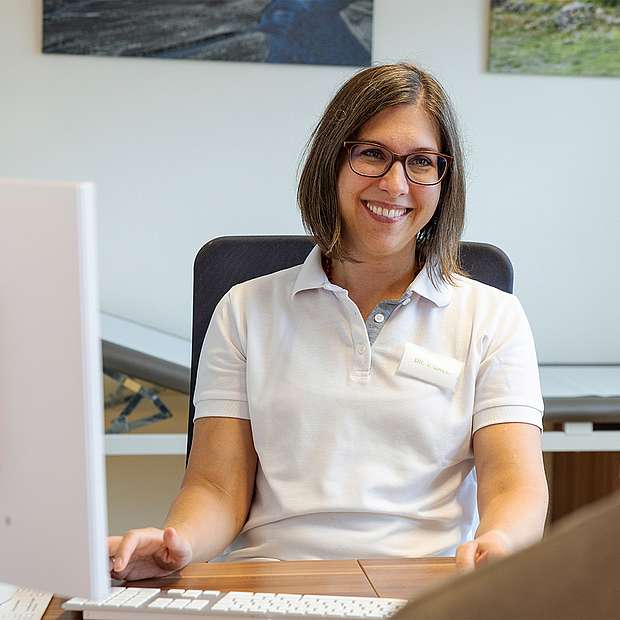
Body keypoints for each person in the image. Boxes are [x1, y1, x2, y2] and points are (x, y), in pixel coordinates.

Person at [108, 63, 548, 581]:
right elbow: (217, 488)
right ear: (331, 161)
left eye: (421, 162)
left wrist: (500, 541)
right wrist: (175, 544)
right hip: (271, 582)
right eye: (372, 154)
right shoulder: (245, 310)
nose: (395, 184)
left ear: (443, 178)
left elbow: (513, 486)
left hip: (425, 586)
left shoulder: (492, 317)